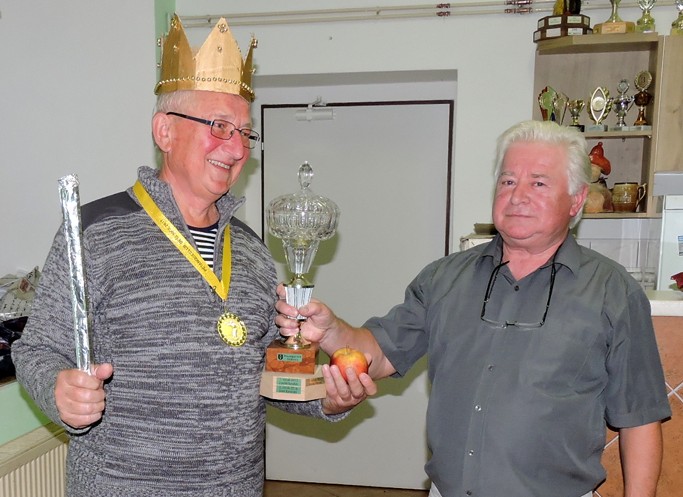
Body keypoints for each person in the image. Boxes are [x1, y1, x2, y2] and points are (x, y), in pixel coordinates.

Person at [12, 15, 372, 497]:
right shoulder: (94, 232)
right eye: (219, 126)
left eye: (245, 133)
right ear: (165, 131)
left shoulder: (251, 250)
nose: (237, 148)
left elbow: (269, 371)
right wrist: (59, 390)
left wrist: (327, 400)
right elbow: (36, 348)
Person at [276, 120, 671, 497]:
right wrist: (331, 331)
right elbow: (377, 354)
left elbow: (640, 420)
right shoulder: (445, 278)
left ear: (577, 199)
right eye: (508, 181)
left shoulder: (613, 292)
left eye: (538, 183)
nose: (517, 196)